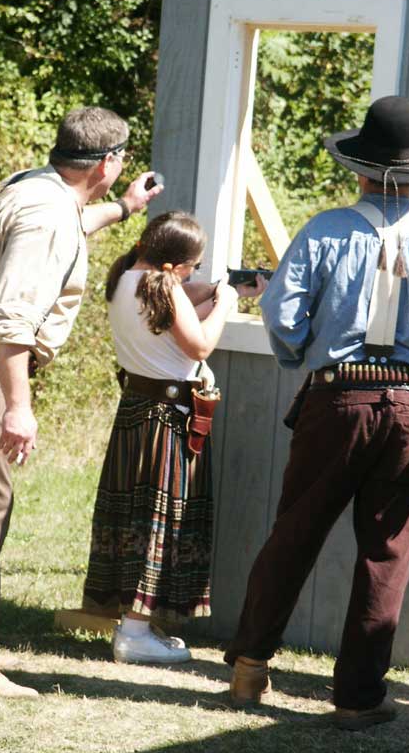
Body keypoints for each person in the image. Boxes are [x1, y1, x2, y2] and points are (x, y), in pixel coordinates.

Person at [224, 96, 409, 729]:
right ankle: (359, 697)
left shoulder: (324, 231)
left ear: (359, 170)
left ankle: (250, 667)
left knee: (295, 532)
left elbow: (282, 317)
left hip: (337, 402)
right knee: (386, 553)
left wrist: (313, 358)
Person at [0, 106, 163, 697]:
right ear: (106, 161)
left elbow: (73, 220)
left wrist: (126, 207)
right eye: (121, 160)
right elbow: (10, 321)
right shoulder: (48, 216)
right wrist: (18, 407)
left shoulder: (36, 185)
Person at [81, 211, 266, 664]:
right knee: (159, 523)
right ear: (174, 265)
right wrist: (225, 304)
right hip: (167, 417)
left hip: (139, 410)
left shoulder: (126, 277)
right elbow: (199, 345)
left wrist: (214, 291)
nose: (193, 275)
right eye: (192, 267)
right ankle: (136, 633)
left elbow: (169, 327)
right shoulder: (161, 287)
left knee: (135, 518)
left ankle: (135, 623)